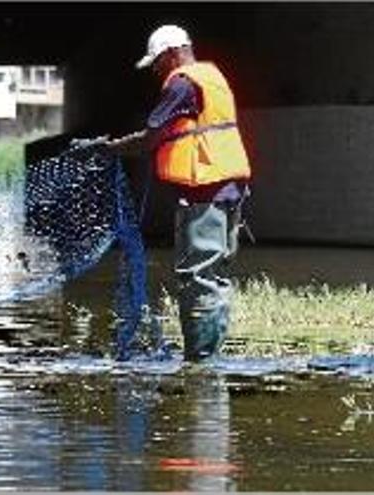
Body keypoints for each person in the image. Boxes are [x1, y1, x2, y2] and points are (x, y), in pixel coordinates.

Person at [105, 25, 252, 361]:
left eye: (157, 62)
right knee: (213, 276)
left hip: (205, 192)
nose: (156, 70)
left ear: (172, 53)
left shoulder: (183, 84)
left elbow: (151, 137)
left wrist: (109, 149)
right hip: (227, 189)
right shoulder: (211, 76)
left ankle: (200, 362)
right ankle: (209, 356)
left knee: (198, 277)